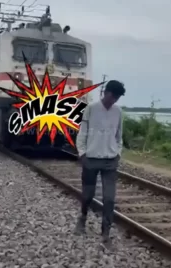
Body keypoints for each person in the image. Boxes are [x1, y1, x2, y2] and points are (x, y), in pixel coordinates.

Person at [74, 80, 126, 244]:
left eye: (117, 98)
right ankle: (82, 217)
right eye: (113, 96)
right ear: (106, 93)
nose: (114, 100)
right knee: (88, 195)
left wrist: (118, 153)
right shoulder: (91, 109)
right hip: (91, 158)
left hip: (110, 161)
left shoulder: (118, 112)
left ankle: (105, 232)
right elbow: (82, 132)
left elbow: (119, 136)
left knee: (109, 198)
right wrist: (82, 153)